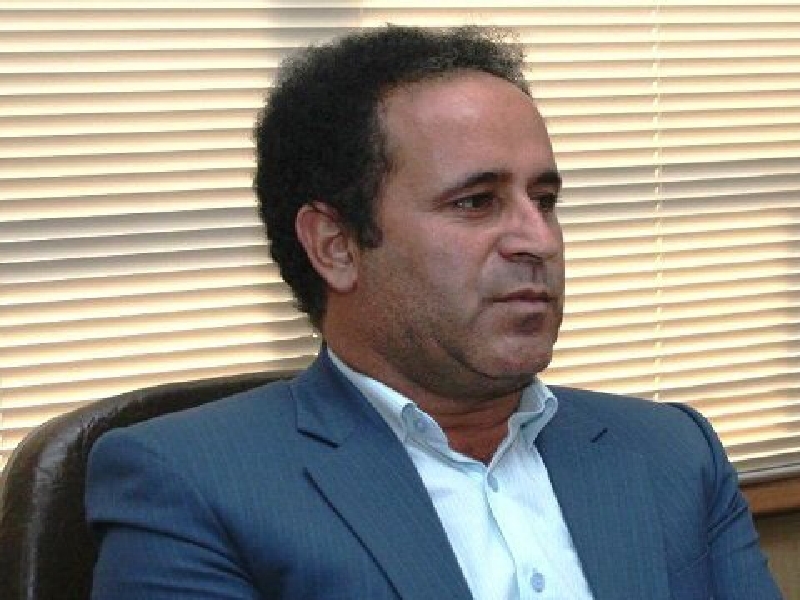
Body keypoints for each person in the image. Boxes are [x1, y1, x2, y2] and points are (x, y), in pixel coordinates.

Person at [86, 25, 782, 599]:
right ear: (336, 246)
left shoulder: (671, 452)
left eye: (544, 201)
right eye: (476, 202)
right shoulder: (191, 484)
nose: (538, 240)